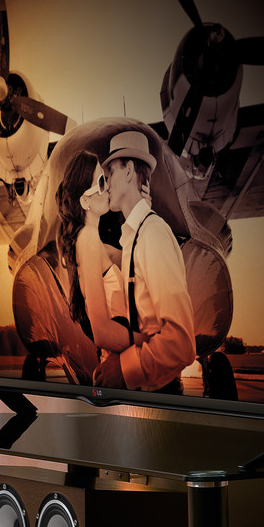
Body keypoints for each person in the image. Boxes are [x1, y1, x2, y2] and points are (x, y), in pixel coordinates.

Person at [79, 129, 195, 394]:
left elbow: (181, 343)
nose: (106, 184)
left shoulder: (152, 234)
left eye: (110, 174)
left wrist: (124, 367)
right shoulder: (134, 238)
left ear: (129, 171)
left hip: (161, 395)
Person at [11, 149, 111, 381]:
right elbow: (102, 331)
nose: (108, 187)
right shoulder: (89, 241)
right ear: (85, 200)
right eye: (102, 181)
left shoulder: (90, 242)